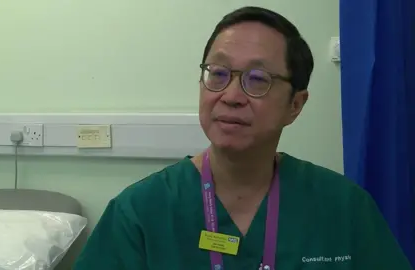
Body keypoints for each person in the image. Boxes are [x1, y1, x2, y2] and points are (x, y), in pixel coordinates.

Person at [74, 6, 412, 270]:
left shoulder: (345, 210)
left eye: (257, 78)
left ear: (295, 105)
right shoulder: (139, 214)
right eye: (218, 74)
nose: (231, 95)